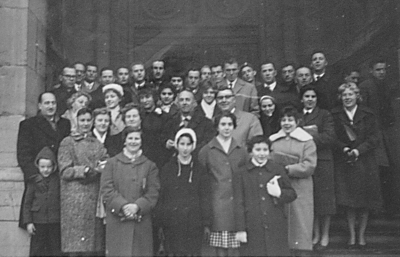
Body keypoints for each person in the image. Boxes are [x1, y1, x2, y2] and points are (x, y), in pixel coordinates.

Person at [331, 82, 383, 248]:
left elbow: (374, 138)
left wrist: (359, 151)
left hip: (365, 162)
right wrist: (344, 148)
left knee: (365, 201)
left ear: (357, 96)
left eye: (350, 95)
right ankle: (352, 236)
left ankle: (361, 235)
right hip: (345, 161)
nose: (347, 98)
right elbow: (333, 137)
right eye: (344, 95)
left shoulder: (368, 114)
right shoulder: (335, 114)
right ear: (341, 97)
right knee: (349, 201)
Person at [100, 126, 160, 257]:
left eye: (137, 138)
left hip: (141, 221)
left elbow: (153, 192)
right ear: (124, 141)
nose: (133, 141)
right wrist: (123, 206)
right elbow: (107, 189)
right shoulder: (112, 163)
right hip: (118, 221)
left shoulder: (150, 166)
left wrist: (137, 206)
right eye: (130, 138)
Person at [58, 107, 108, 255]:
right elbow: (65, 171)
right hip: (74, 200)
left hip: (93, 198)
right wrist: (85, 170)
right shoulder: (67, 142)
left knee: (91, 246)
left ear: (92, 122)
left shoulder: (97, 144)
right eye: (82, 120)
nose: (85, 123)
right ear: (76, 121)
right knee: (75, 246)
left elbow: (105, 160)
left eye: (88, 120)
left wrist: (103, 166)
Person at [17, 92, 71, 228]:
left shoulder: (65, 124)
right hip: (38, 180)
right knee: (38, 224)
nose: (50, 106)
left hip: (58, 178)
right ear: (39, 105)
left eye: (53, 103)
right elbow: (23, 154)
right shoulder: (28, 125)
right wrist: (35, 176)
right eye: (47, 103)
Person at [198, 112, 247, 257]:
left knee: (236, 246)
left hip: (237, 203)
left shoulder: (241, 150)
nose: (227, 128)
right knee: (220, 247)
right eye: (223, 124)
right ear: (217, 127)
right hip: (216, 204)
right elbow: (202, 179)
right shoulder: (207, 150)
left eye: (230, 124)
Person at [238, 136, 297, 257]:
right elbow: (238, 203)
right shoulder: (241, 172)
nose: (261, 153)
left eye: (265, 150)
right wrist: (240, 229)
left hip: (275, 223)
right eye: (257, 150)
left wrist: (279, 193)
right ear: (250, 151)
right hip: (252, 225)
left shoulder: (277, 169)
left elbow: (292, 194)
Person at [269, 106, 317, 252]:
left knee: (301, 223)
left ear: (297, 122)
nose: (287, 123)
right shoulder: (274, 140)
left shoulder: (307, 141)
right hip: (280, 185)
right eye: (284, 120)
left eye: (290, 120)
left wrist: (288, 169)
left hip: (300, 186)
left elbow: (310, 165)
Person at [157, 128, 211, 256]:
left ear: (193, 146)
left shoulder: (200, 169)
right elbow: (162, 196)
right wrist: (160, 223)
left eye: (188, 144)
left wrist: (206, 223)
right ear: (176, 145)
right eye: (182, 144)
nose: (185, 148)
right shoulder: (168, 168)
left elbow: (205, 197)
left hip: (194, 222)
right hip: (172, 222)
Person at [299, 85, 336, 249]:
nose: (309, 99)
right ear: (302, 99)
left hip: (322, 161)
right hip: (306, 161)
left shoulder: (324, 115)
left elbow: (330, 136)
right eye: (306, 96)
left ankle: (325, 234)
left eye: (313, 96)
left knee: (325, 200)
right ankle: (315, 233)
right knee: (310, 199)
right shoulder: (298, 116)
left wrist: (307, 139)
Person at [359, 58, 396, 214]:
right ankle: (375, 207)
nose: (381, 72)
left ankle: (387, 206)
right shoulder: (365, 87)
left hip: (384, 132)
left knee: (387, 168)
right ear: (371, 71)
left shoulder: (385, 86)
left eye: (383, 69)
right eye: (378, 70)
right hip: (371, 134)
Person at [23, 146, 61, 257]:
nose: (46, 170)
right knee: (37, 249)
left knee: (56, 249)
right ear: (38, 166)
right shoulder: (33, 181)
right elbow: (27, 203)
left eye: (49, 167)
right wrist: (29, 222)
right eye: (42, 167)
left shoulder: (58, 180)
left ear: (54, 166)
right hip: (38, 221)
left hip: (55, 221)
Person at [138, 87, 170, 169]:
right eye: (142, 98)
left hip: (160, 155)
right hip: (143, 153)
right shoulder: (138, 116)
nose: (145, 100)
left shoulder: (164, 116)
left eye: (147, 97)